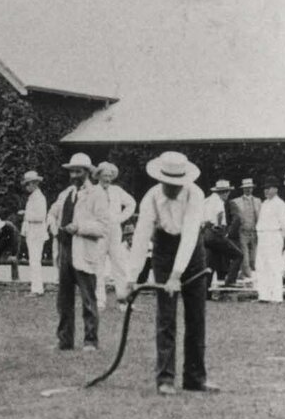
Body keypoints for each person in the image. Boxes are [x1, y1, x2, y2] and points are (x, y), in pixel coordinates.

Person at [126, 151, 217, 395]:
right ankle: (165, 379)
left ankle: (195, 378)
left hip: (193, 254)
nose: (173, 189)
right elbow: (141, 237)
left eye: (178, 185)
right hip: (163, 252)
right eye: (169, 184)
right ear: (161, 180)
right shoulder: (151, 198)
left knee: (196, 317)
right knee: (166, 318)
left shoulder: (195, 195)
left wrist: (177, 276)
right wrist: (131, 279)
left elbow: (189, 235)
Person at [52, 153, 110, 351]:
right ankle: (65, 340)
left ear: (87, 172)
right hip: (66, 249)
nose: (73, 175)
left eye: (78, 171)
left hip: (84, 250)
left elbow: (103, 227)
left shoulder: (97, 194)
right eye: (71, 171)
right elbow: (54, 212)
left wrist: (79, 227)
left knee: (88, 298)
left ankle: (90, 340)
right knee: (64, 300)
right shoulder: (67, 193)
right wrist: (52, 222)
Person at [94, 162, 136, 309]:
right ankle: (99, 301)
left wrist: (121, 218)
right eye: (105, 175)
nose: (107, 178)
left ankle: (122, 300)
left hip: (114, 231)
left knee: (119, 264)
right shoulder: (92, 191)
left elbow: (131, 203)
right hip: (98, 232)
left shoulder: (117, 190)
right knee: (98, 265)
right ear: (98, 176)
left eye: (110, 176)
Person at [202, 179, 243, 294]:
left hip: (206, 233)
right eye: (227, 192)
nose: (227, 195)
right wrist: (220, 227)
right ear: (224, 192)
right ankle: (230, 281)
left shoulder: (207, 200)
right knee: (238, 255)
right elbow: (220, 213)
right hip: (216, 233)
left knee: (211, 262)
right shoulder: (218, 201)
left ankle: (206, 291)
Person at [255, 176, 285, 302]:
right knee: (261, 265)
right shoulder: (264, 204)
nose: (265, 191)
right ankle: (264, 295)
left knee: (274, 266)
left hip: (274, 236)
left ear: (275, 189)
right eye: (264, 188)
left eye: (268, 188)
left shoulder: (280, 204)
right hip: (263, 236)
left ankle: (277, 296)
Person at [20, 170, 47, 295]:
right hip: (32, 232)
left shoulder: (39, 198)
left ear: (34, 184)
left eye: (28, 184)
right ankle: (36, 287)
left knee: (35, 260)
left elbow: (41, 216)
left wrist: (26, 215)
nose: (26, 187)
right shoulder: (33, 197)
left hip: (37, 232)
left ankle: (37, 289)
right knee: (33, 260)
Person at [230, 178, 261, 280]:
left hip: (254, 231)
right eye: (246, 188)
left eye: (250, 188)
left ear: (252, 188)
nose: (248, 190)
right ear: (243, 189)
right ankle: (248, 276)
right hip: (243, 231)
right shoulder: (236, 202)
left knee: (254, 256)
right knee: (245, 256)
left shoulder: (257, 201)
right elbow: (235, 219)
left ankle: (247, 274)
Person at [0, 209, 21, 281]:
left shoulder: (10, 228)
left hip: (13, 240)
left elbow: (15, 241)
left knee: (14, 260)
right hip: (2, 240)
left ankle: (15, 279)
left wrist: (13, 254)